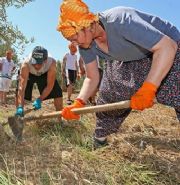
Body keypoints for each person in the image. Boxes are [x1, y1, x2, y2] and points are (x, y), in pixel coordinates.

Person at [57, 0, 180, 148]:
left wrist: (149, 88)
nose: (74, 44)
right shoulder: (86, 46)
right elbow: (91, 76)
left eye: (74, 38)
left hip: (167, 49)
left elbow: (167, 47)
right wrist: (79, 102)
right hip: (128, 57)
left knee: (176, 91)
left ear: (86, 25)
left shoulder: (120, 20)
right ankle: (100, 139)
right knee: (110, 93)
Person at [15, 46, 63, 117]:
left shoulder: (51, 63)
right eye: (34, 62)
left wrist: (40, 99)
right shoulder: (26, 64)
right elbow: (21, 88)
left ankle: (60, 119)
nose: (36, 66)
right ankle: (19, 117)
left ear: (45, 60)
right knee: (18, 92)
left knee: (58, 93)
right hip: (29, 73)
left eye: (39, 63)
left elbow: (50, 85)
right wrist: (20, 106)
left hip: (45, 73)